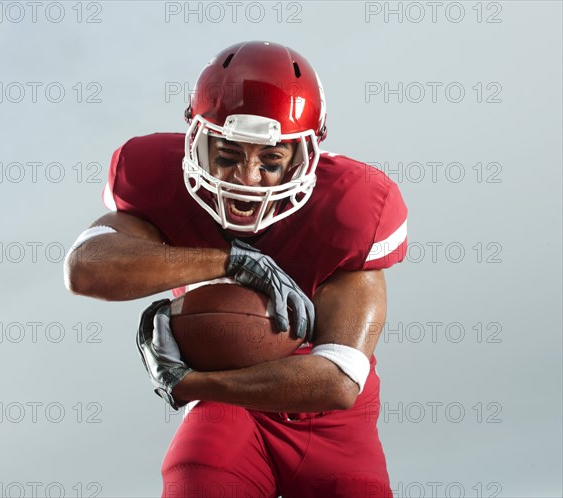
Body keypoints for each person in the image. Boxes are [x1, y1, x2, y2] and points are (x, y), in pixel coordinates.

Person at [64, 40, 408, 498]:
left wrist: (193, 383)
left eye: (270, 161)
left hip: (327, 422)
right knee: (198, 479)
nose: (247, 178)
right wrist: (233, 261)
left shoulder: (353, 207)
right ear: (196, 140)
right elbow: (84, 268)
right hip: (226, 408)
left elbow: (339, 379)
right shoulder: (156, 177)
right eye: (228, 156)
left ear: (305, 157)